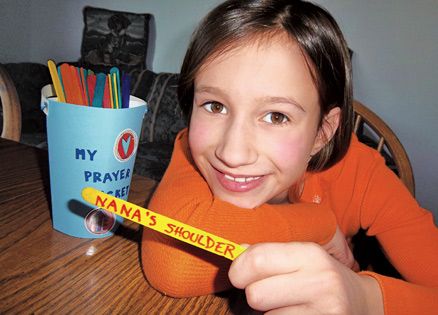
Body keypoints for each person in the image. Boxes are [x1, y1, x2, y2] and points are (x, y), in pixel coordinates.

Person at [141, 0, 438, 314]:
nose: (231, 152)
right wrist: (320, 225)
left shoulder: (364, 175)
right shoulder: (193, 147)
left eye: (276, 117)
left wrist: (366, 299)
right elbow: (171, 261)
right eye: (215, 106)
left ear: (322, 133)